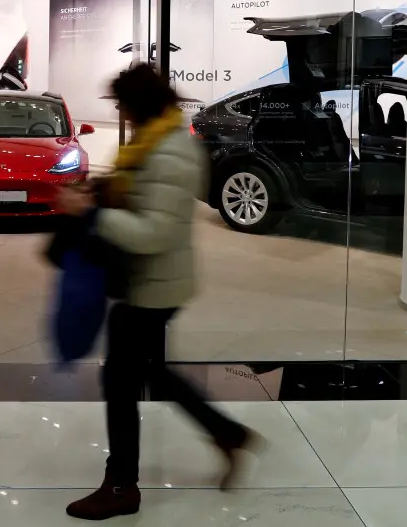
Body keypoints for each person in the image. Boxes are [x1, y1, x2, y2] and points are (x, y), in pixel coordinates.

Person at [55, 63, 260, 521]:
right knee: (149, 372)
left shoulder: (170, 151)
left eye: (123, 104)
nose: (121, 112)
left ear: (140, 104)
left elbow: (154, 233)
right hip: (146, 280)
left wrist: (90, 212)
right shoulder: (155, 143)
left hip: (155, 283)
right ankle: (226, 434)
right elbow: (143, 199)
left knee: (121, 380)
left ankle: (122, 485)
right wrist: (105, 192)